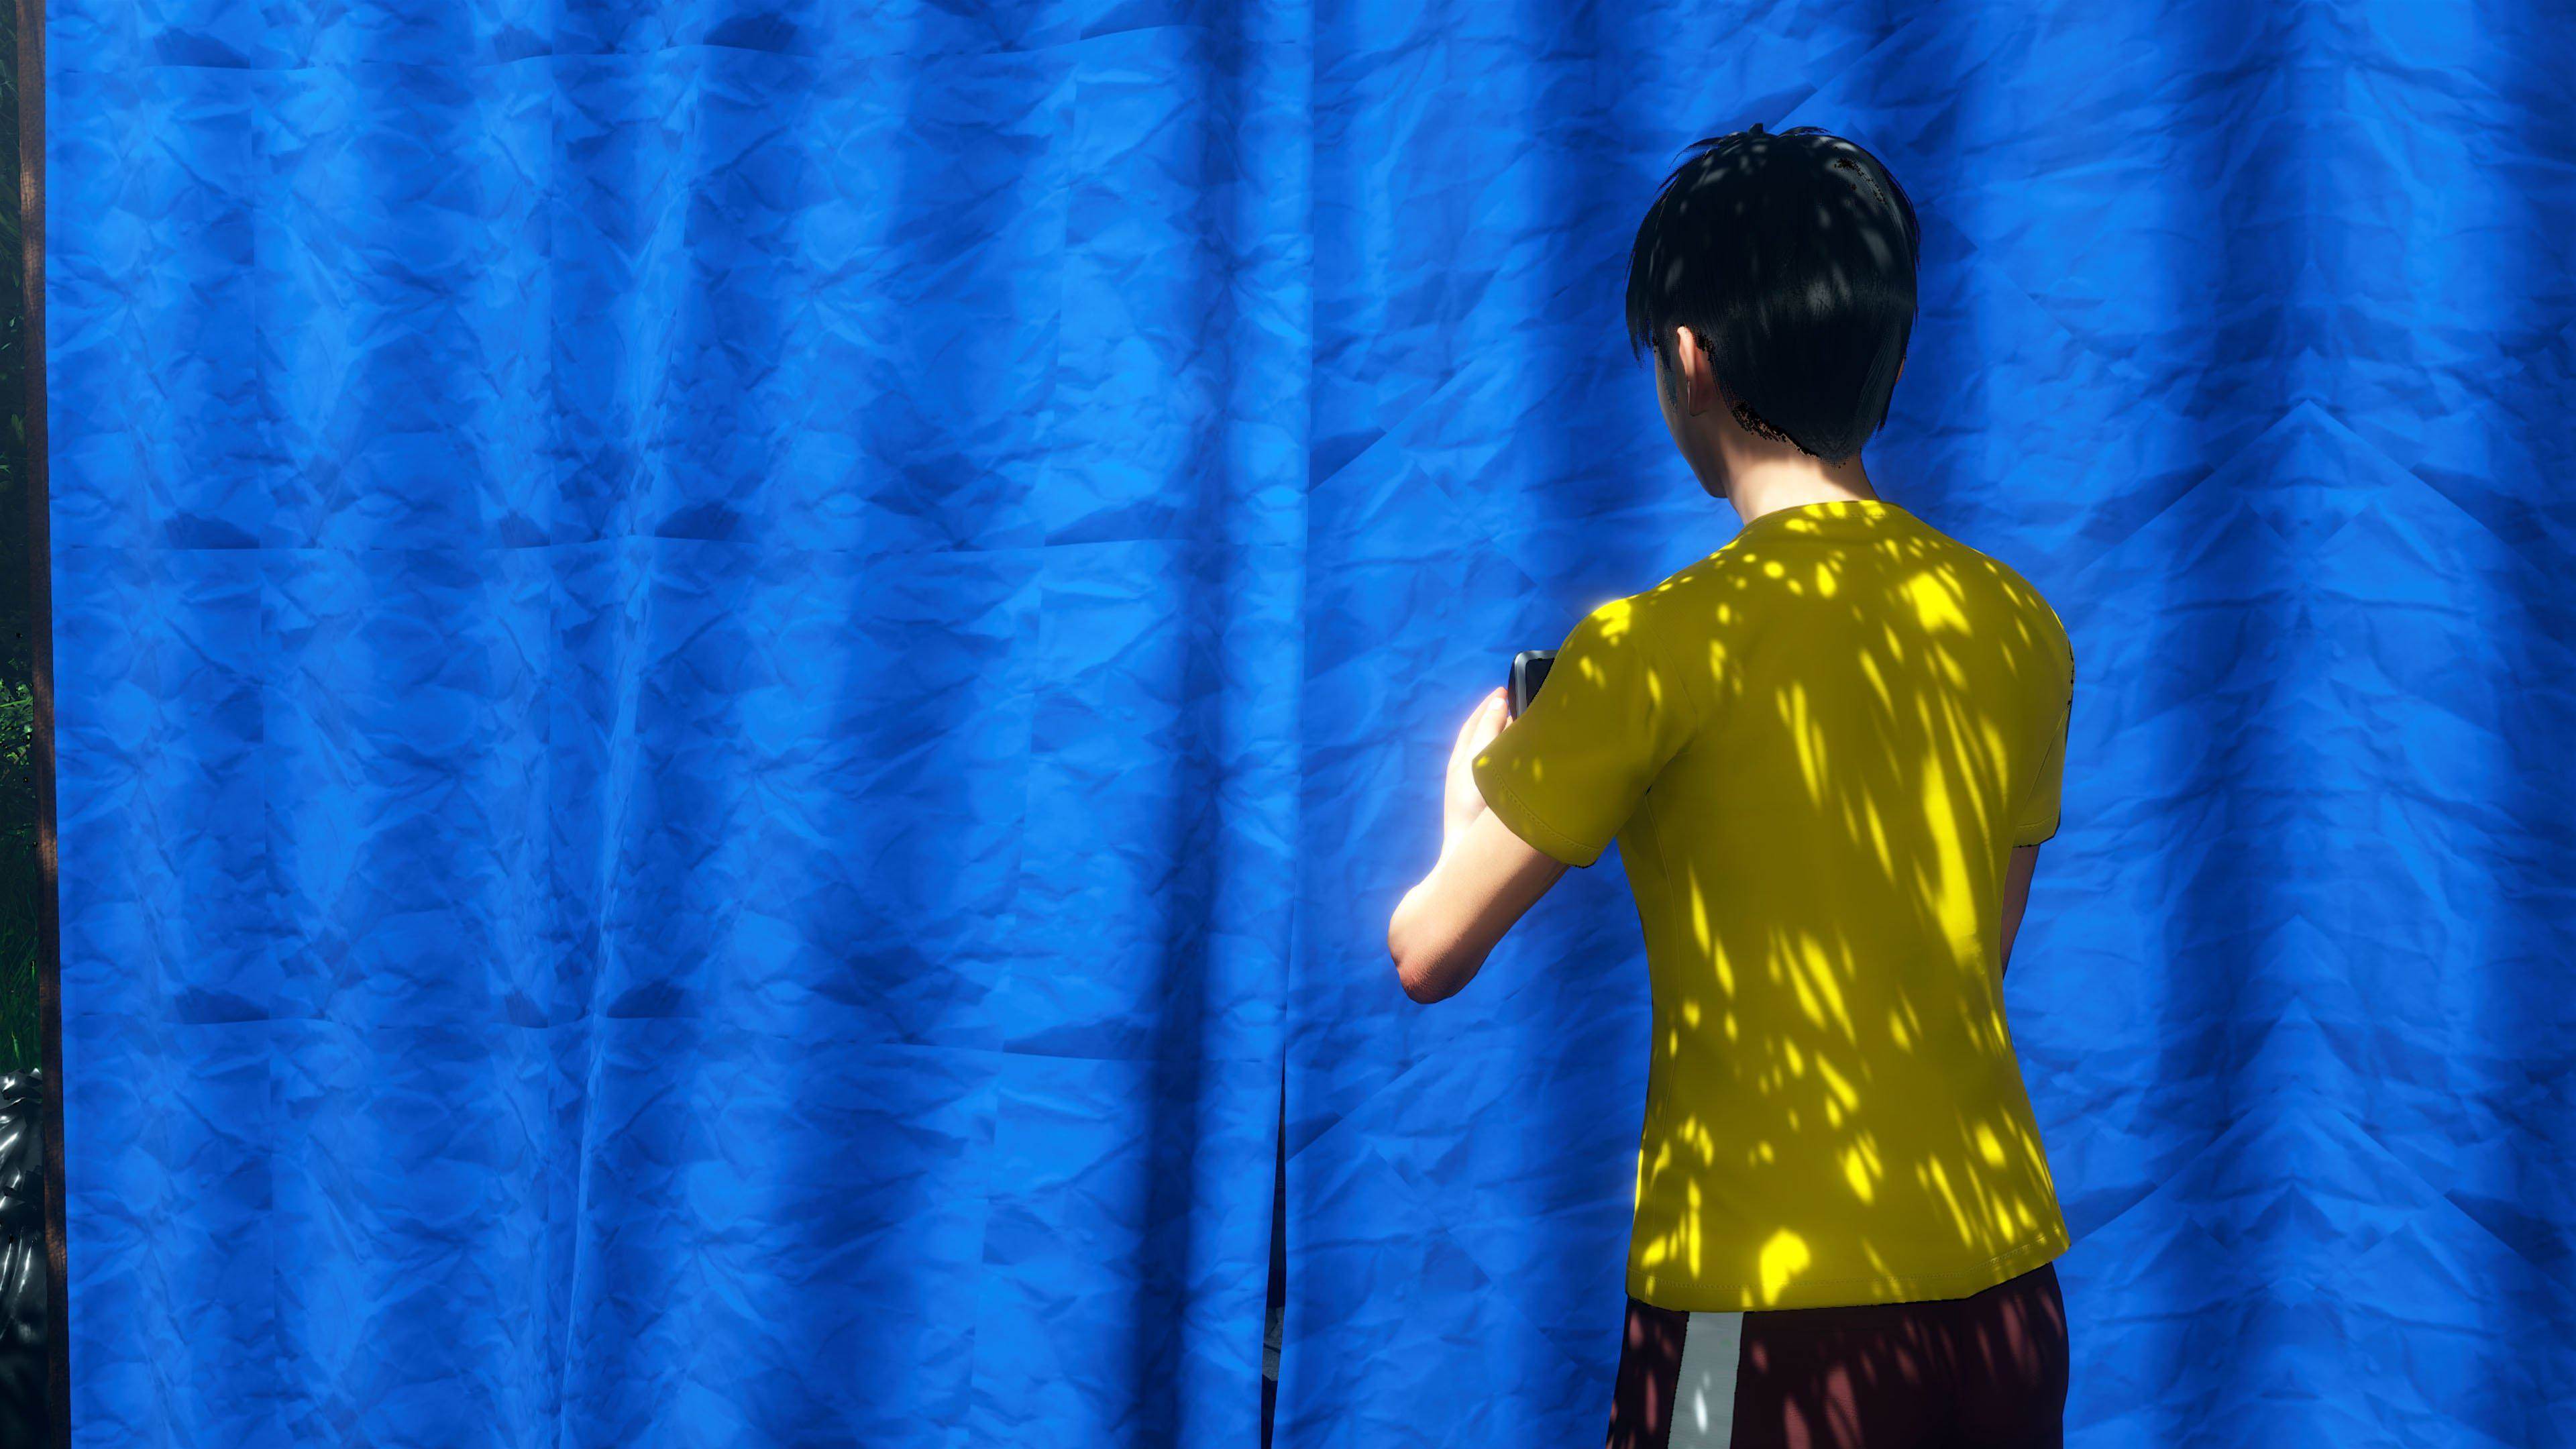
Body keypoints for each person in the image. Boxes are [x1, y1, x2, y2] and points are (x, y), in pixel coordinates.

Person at [1385, 123, 2076, 1448]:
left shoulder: (1654, 647)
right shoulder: (2015, 624)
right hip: (2002, 1300)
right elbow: (1971, 964)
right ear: (1890, 356)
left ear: (1690, 361)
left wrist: (1468, 791)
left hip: (1750, 1314)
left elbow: (1428, 950)